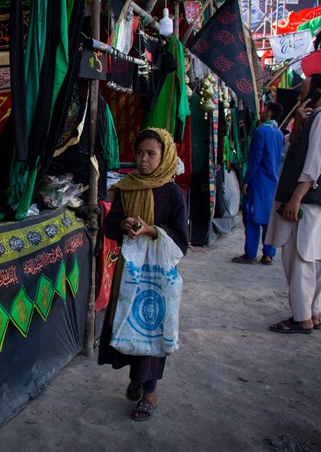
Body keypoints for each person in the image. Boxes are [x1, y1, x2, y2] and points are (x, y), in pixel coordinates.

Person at [99, 128, 188, 421]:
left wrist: (151, 230)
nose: (143, 159)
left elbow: (182, 242)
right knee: (127, 322)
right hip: (129, 272)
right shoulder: (126, 188)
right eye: (139, 153)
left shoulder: (173, 194)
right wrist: (122, 223)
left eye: (151, 154)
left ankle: (149, 393)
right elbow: (110, 227)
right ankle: (136, 379)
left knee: (151, 328)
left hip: (157, 277)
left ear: (164, 157)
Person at [265, 74, 321, 334]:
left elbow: (315, 162)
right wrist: (298, 122)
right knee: (311, 258)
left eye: (305, 91)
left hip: (307, 201)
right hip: (315, 200)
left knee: (299, 259)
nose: (300, 94)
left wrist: (296, 197)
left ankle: (302, 318)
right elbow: (294, 146)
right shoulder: (320, 117)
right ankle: (312, 313)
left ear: (317, 92)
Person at [233, 102, 284, 265]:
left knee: (252, 217)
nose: (261, 112)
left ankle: (250, 253)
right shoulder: (279, 133)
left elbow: (255, 159)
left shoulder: (261, 131)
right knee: (268, 218)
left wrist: (246, 180)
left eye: (264, 109)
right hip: (272, 181)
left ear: (269, 112)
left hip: (258, 180)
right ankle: (268, 253)